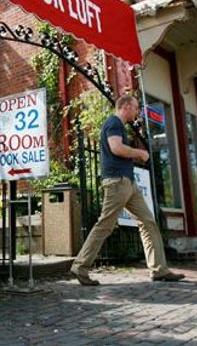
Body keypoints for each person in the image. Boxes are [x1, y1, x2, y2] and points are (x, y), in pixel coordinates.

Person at [70, 95, 184, 285]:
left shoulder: (119, 125)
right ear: (126, 106)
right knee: (105, 224)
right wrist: (140, 153)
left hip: (129, 183)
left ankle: (159, 270)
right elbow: (116, 148)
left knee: (148, 222)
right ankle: (80, 267)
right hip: (117, 182)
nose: (137, 112)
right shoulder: (113, 123)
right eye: (135, 108)